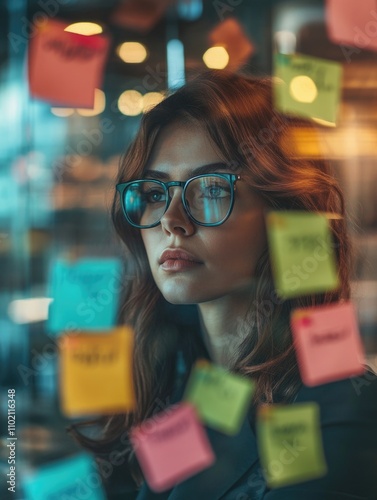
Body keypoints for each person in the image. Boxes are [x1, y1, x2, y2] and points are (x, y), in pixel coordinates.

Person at [70, 70, 377, 499]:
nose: (172, 221)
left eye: (211, 189)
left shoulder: (340, 406)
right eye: (156, 192)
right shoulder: (181, 386)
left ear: (283, 214)